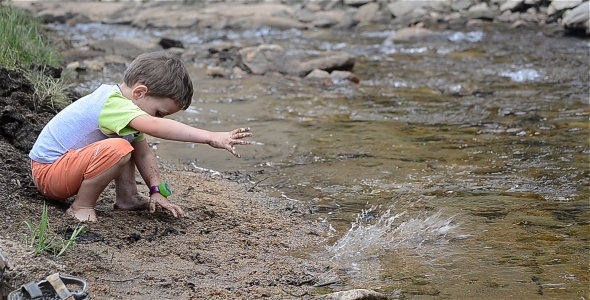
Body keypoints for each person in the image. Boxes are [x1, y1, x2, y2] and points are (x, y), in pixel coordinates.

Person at [29, 51, 252, 222]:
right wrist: (210, 136)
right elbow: (156, 127)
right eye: (159, 113)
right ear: (139, 92)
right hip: (49, 174)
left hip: (63, 168)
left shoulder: (124, 108)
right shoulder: (113, 103)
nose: (159, 119)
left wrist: (156, 190)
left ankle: (128, 198)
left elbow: (144, 155)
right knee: (118, 148)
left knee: (129, 143)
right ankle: (81, 207)